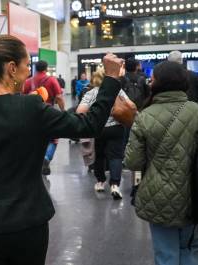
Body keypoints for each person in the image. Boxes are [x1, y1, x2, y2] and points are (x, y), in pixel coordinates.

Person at [0, 34, 123, 265]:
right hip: (28, 225)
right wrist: (110, 79)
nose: (28, 73)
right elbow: (88, 125)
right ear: (11, 68)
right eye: (25, 66)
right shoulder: (30, 108)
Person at [125, 61, 198, 265]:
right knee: (189, 251)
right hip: (194, 195)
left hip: (159, 196)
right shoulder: (196, 110)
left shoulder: (145, 116)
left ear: (157, 83)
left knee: (166, 254)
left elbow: (133, 161)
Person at [77, 68, 128, 199]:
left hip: (98, 129)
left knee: (99, 155)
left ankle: (100, 182)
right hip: (116, 127)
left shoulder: (92, 93)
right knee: (116, 156)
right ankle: (115, 185)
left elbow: (80, 111)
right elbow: (130, 106)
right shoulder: (118, 91)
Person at [23, 60, 66, 175]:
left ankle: (35, 161)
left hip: (31, 114)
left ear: (35, 69)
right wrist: (63, 111)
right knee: (53, 138)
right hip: (48, 113)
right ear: (46, 68)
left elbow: (22, 96)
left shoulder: (29, 81)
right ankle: (46, 158)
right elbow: (59, 97)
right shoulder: (51, 80)